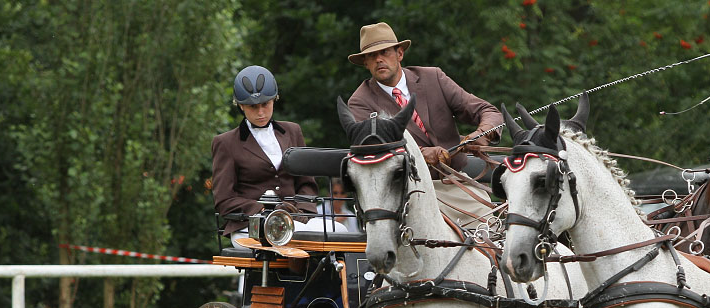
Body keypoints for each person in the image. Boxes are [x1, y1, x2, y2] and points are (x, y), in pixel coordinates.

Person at [346, 22, 502, 228]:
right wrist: (420, 154)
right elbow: (376, 150)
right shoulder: (360, 102)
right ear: (365, 63)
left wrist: (482, 133)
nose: (378, 59)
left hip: (455, 184)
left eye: (384, 52)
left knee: (490, 233)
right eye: (371, 56)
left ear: (399, 53)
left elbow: (489, 112)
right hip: (407, 192)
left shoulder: (433, 77)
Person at [211, 65, 343, 248]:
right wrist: (264, 210)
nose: (261, 112)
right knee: (285, 240)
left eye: (265, 104)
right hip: (251, 225)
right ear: (240, 105)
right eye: (252, 107)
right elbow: (224, 200)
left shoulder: (293, 131)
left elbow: (306, 183)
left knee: (341, 232)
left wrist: (301, 212)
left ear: (275, 99)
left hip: (296, 220)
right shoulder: (225, 143)